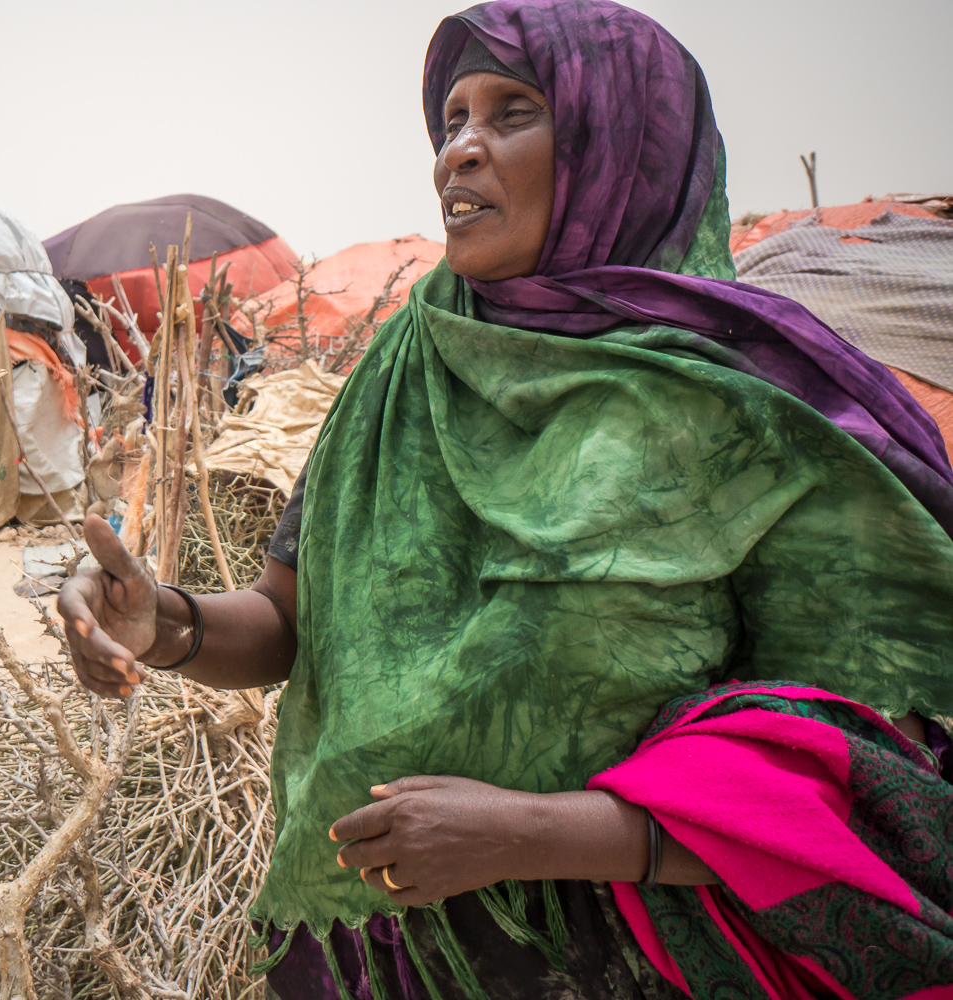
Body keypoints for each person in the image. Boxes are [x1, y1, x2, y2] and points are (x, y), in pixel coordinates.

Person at [57, 2, 953, 997]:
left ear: (627, 147)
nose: (459, 154)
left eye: (511, 113)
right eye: (451, 122)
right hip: (373, 942)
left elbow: (858, 769)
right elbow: (285, 621)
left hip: (629, 956)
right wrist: (165, 625)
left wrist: (525, 832)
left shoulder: (746, 405)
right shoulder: (406, 368)